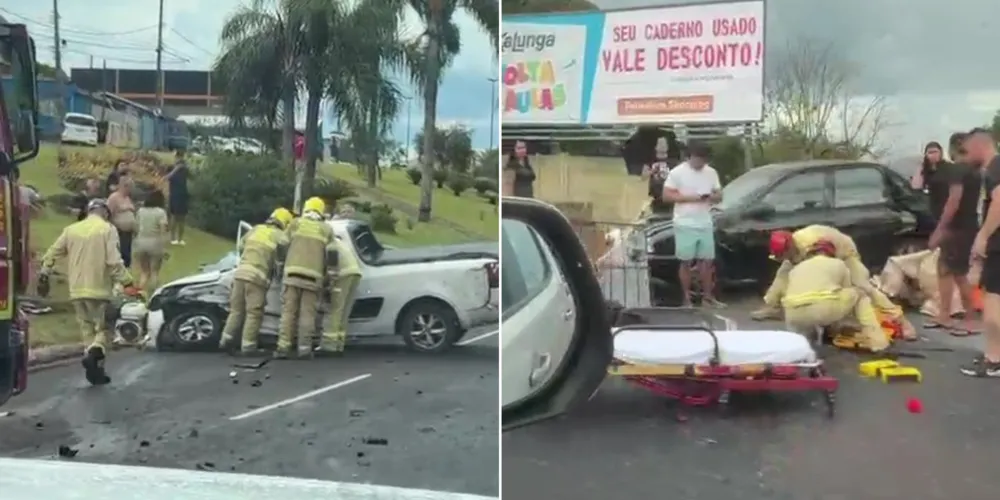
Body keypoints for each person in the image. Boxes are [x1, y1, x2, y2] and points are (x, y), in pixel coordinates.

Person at [754, 225, 918, 340]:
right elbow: (786, 272)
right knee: (783, 273)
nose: (785, 259)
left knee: (864, 288)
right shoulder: (792, 250)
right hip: (820, 253)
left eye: (784, 255)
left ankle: (904, 323)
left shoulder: (815, 243)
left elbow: (830, 268)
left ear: (790, 248)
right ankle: (771, 305)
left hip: (844, 253)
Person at [38, 199, 136, 385]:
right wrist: (127, 280)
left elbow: (52, 253)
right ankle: (94, 355)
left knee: (87, 330)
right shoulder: (107, 230)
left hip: (76, 289)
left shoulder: (71, 230)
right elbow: (114, 261)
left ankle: (95, 372)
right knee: (104, 329)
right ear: (105, 213)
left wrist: (45, 271)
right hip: (100, 289)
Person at [781, 238, 888, 351]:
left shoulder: (795, 269)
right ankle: (879, 342)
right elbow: (845, 292)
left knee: (818, 302)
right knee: (858, 294)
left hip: (792, 315)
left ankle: (803, 346)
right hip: (822, 309)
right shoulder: (838, 263)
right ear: (831, 253)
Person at [924, 133, 981, 335]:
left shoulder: (958, 170)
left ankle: (971, 320)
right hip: (963, 226)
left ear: (952, 148)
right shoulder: (974, 171)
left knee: (959, 274)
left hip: (958, 229)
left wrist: (940, 229)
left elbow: (954, 200)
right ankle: (944, 315)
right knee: (944, 269)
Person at [219, 207, 293, 356]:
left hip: (240, 274)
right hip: (257, 277)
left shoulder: (255, 230)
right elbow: (281, 259)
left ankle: (225, 341)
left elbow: (241, 247)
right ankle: (248, 346)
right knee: (254, 312)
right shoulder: (280, 236)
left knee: (236, 310)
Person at [661, 142, 723, 307]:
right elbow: (666, 196)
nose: (700, 163)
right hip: (684, 222)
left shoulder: (711, 173)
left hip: (705, 221)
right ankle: (686, 299)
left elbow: (719, 194)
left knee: (707, 261)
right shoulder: (677, 173)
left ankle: (708, 297)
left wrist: (711, 197)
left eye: (703, 160)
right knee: (686, 261)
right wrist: (692, 198)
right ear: (690, 157)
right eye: (697, 159)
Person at [277, 197, 338, 359]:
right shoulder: (326, 229)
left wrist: (279, 265)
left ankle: (283, 347)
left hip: (291, 275)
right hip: (313, 279)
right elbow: (332, 255)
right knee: (307, 315)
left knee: (288, 313)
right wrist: (330, 279)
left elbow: (281, 244)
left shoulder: (295, 224)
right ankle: (304, 350)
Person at [966, 127, 1000, 377]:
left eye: (968, 149)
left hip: (998, 245)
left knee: (992, 304)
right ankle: (993, 355)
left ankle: (994, 360)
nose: (967, 155)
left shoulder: (995, 168)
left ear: (980, 145)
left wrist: (983, 236)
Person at [317, 227, 362, 354]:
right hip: (355, 273)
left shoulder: (327, 244)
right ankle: (339, 344)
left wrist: (326, 285)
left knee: (333, 309)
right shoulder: (338, 242)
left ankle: (328, 345)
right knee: (343, 311)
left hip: (343, 274)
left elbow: (328, 268)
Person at [134, 190, 170, 292]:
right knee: (154, 271)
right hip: (155, 243)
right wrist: (164, 247)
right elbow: (163, 230)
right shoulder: (160, 212)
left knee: (144, 272)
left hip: (141, 242)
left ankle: (140, 291)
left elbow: (136, 227)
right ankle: (153, 293)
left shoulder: (141, 211)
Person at [106, 176, 136, 268]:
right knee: (120, 254)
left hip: (128, 232)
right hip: (118, 231)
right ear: (124, 186)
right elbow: (108, 213)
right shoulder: (114, 197)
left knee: (127, 254)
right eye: (129, 187)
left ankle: (126, 270)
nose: (131, 190)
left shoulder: (127, 198)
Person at [642, 137, 673, 213]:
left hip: (669, 195)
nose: (662, 146)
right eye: (660, 144)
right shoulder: (650, 160)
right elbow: (643, 177)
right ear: (656, 147)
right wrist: (653, 171)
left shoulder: (673, 161)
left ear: (667, 147)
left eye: (664, 144)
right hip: (655, 195)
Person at [165, 150, 190, 246]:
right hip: (174, 195)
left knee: (182, 218)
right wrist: (176, 169)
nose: (179, 159)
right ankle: (172, 238)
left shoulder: (185, 169)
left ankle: (180, 239)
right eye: (178, 157)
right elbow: (167, 177)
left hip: (183, 194)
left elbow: (191, 177)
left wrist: (184, 166)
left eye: (181, 156)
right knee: (174, 217)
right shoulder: (171, 168)